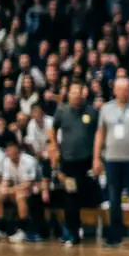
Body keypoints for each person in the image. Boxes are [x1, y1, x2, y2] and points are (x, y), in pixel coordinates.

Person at [92, 75, 129, 248]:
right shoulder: (106, 109)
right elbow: (100, 134)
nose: (124, 92)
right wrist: (96, 157)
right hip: (112, 159)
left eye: (126, 89)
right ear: (114, 91)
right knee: (114, 199)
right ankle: (115, 237)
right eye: (120, 89)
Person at [50, 83, 99, 245]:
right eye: (73, 93)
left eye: (79, 92)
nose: (77, 95)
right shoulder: (62, 111)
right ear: (69, 94)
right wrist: (54, 147)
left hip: (87, 162)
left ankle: (85, 229)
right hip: (69, 162)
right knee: (70, 196)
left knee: (87, 195)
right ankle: (72, 232)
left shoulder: (92, 111)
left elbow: (99, 133)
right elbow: (53, 130)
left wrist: (97, 157)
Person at [0, 139, 43, 242]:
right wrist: (1, 189)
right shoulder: (7, 161)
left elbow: (28, 184)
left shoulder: (29, 161)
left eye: (12, 152)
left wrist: (9, 190)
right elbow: (5, 180)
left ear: (18, 152)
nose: (10, 154)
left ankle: (23, 230)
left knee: (20, 196)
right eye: (8, 152)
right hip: (16, 187)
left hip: (36, 187)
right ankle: (0, 229)